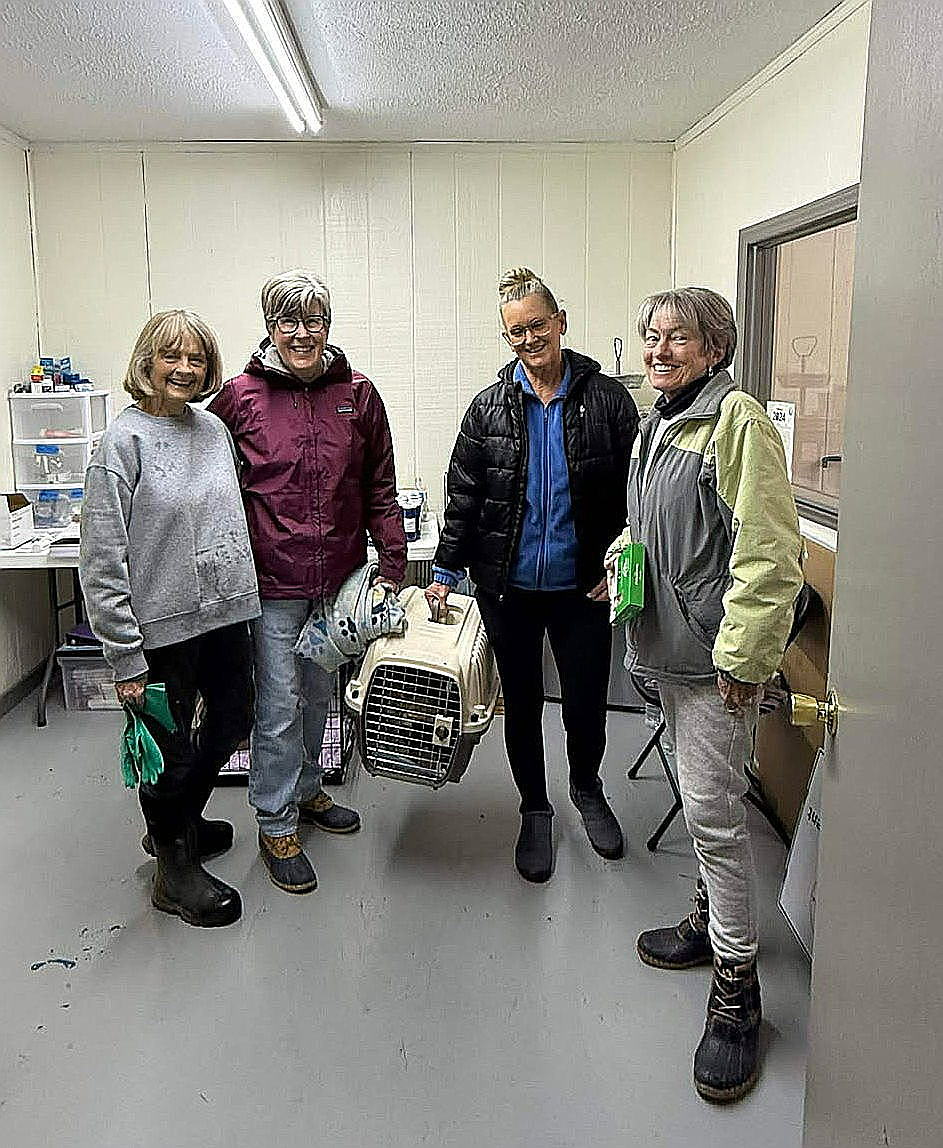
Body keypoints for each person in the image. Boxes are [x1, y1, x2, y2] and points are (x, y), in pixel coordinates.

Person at [617, 287, 803, 1103]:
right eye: (651, 336)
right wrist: (622, 564)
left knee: (714, 819)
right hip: (667, 645)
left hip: (711, 661)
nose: (659, 351)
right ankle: (707, 921)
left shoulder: (737, 421)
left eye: (678, 338)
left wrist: (742, 659)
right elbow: (653, 526)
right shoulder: (661, 420)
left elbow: (768, 554)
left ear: (714, 348)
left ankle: (737, 993)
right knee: (703, 811)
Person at [427, 267, 640, 883]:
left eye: (537, 325)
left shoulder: (609, 402)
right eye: (515, 332)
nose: (527, 339)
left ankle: (587, 788)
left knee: (585, 703)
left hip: (583, 589)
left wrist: (621, 566)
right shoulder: (487, 409)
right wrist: (445, 569)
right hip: (508, 591)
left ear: (560, 322)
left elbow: (638, 495)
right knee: (520, 705)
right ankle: (535, 807)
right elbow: (464, 495)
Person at [210, 269, 406, 894]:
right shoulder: (238, 398)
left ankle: (309, 788)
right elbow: (211, 485)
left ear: (328, 325)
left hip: (338, 586)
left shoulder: (358, 394)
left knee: (321, 699)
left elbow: (379, 483)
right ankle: (274, 821)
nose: (302, 333)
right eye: (287, 321)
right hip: (272, 586)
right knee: (277, 708)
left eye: (313, 320)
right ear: (270, 327)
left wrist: (393, 561)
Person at [80, 310, 260, 928]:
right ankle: (174, 869)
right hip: (160, 631)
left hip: (224, 617)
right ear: (147, 363)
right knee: (170, 748)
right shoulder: (121, 444)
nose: (185, 369)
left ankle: (179, 822)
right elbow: (102, 560)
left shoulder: (213, 430)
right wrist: (125, 658)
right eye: (171, 356)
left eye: (197, 359)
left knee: (233, 720)